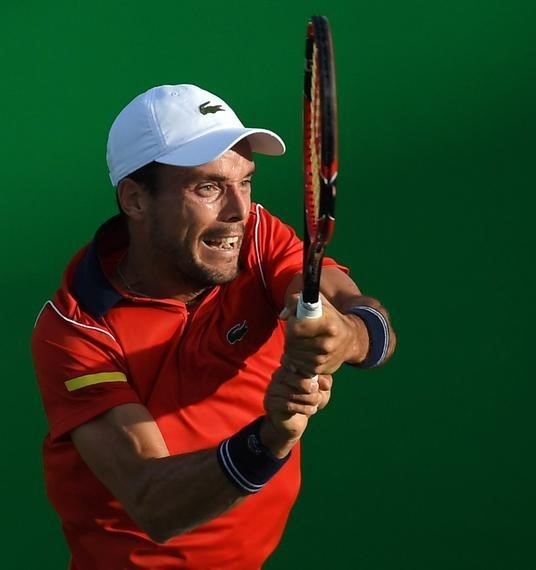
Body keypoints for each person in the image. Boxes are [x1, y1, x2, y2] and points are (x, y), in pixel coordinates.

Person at [31, 83, 396, 569]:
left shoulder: (259, 239)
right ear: (136, 200)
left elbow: (363, 317)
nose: (238, 212)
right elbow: (154, 503)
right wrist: (271, 439)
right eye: (209, 187)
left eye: (245, 182)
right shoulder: (76, 331)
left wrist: (342, 336)